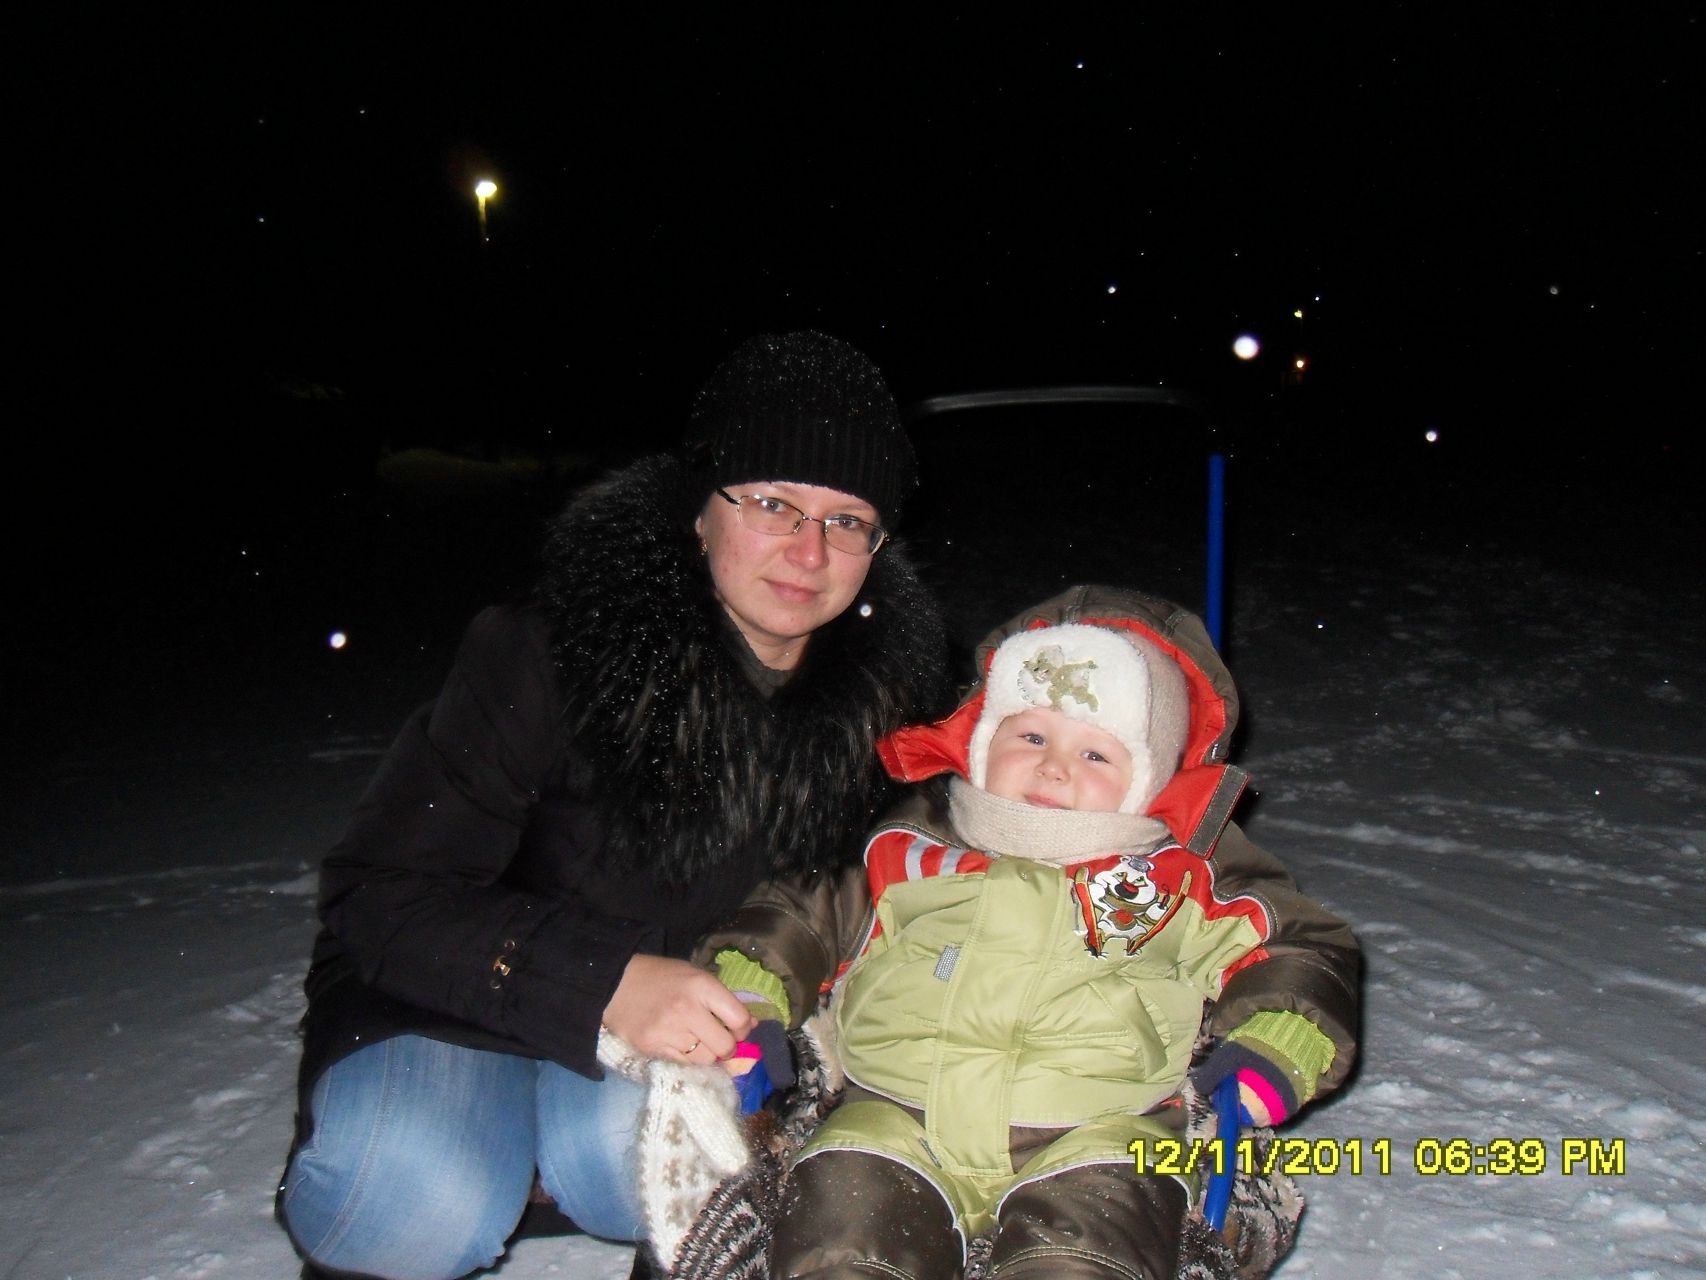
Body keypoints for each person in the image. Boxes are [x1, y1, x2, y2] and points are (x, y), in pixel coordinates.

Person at [275, 331, 950, 1280]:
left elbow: (887, 907)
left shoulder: (893, 708)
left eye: (848, 521)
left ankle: (583, 1166)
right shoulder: (550, 652)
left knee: (653, 1162)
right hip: (450, 993)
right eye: (773, 504)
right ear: (700, 510)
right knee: (416, 1196)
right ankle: (457, 1144)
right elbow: (380, 892)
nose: (810, 551)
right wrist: (602, 981)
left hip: (693, 1025)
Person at [753, 585, 1361, 1280]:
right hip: (890, 1117)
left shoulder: (1182, 876)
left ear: (1149, 781)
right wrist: (751, 984)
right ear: (982, 739)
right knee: (843, 1231)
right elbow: (798, 913)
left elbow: (1296, 948)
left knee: (1088, 1252)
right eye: (1032, 736)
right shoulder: (908, 844)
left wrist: (1281, 1037)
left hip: (1103, 1133)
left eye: (1095, 755)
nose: (1052, 766)